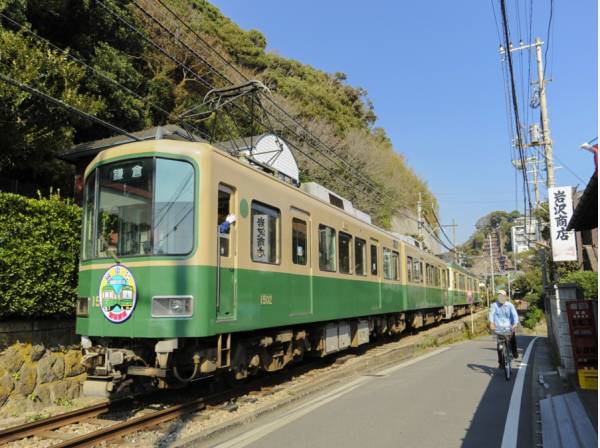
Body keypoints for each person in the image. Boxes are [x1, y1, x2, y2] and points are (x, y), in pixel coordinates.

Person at [489, 290, 519, 366]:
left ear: (505, 297)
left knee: (512, 339)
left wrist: (515, 323)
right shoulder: (494, 305)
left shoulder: (510, 305)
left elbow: (515, 315)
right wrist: (491, 323)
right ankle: (500, 362)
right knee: (499, 345)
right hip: (498, 327)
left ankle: (514, 352)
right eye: (499, 296)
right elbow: (491, 314)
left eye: (502, 296)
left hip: (509, 326)